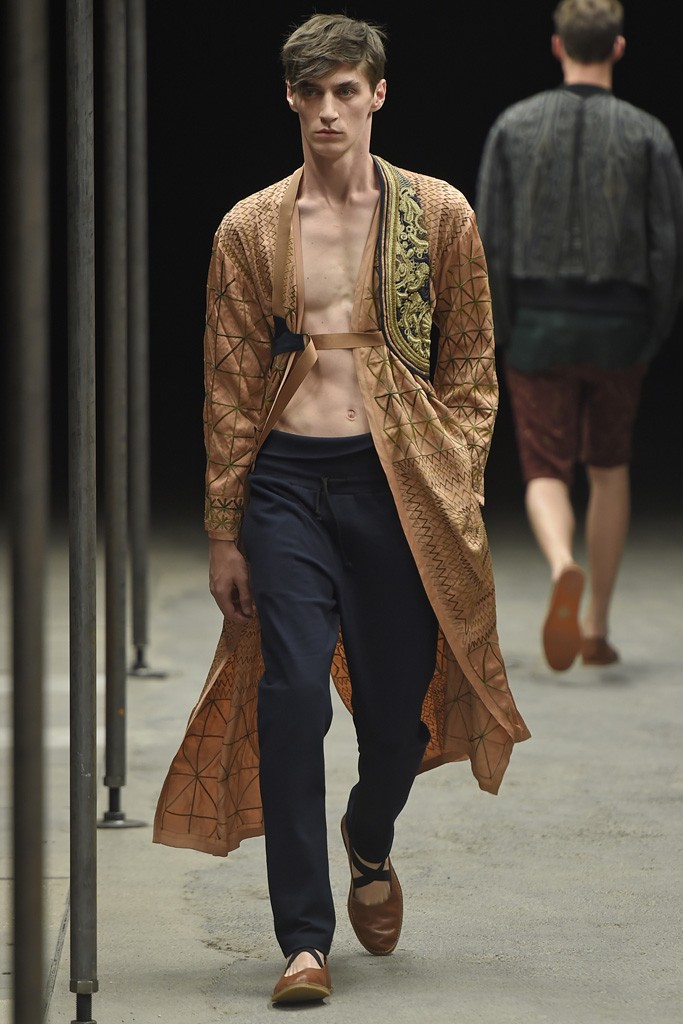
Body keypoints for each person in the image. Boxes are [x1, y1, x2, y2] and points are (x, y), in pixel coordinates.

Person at [153, 12, 530, 1004]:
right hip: (284, 480)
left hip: (395, 484)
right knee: (289, 696)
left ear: (376, 95)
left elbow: (471, 360)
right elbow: (230, 383)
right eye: (311, 92)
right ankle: (303, 940)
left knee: (397, 724)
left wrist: (454, 480)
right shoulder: (249, 227)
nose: (328, 109)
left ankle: (368, 835)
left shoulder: (436, 213)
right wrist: (223, 528)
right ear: (290, 97)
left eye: (345, 91)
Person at [475, 0, 683, 673]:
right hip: (620, 326)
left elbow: (490, 238)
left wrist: (504, 328)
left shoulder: (513, 125)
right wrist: (652, 329)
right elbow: (667, 246)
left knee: (544, 469)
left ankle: (563, 562)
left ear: (557, 46)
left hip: (537, 323)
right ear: (617, 48)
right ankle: (594, 626)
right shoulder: (648, 134)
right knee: (609, 467)